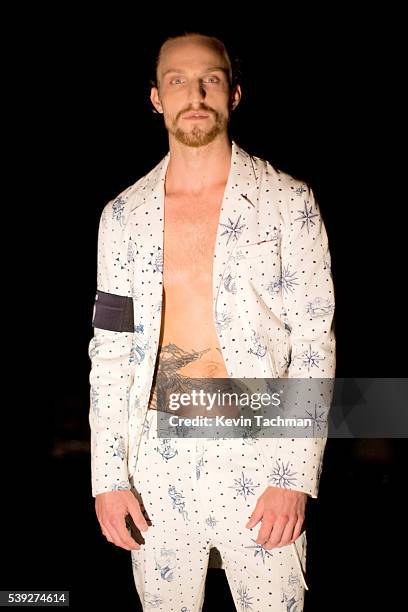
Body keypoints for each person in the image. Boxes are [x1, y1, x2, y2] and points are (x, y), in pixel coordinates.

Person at [88, 31, 336, 611]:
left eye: (211, 79)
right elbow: (111, 351)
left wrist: (295, 473)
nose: (194, 92)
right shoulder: (123, 216)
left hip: (262, 447)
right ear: (156, 97)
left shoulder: (287, 202)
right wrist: (109, 477)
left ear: (234, 93)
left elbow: (314, 345)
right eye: (177, 80)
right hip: (157, 458)